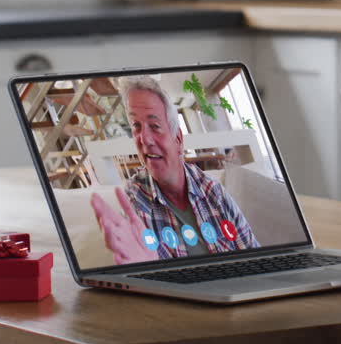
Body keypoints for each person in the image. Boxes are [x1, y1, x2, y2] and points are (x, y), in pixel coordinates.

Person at [90, 75, 258, 264]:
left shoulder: (214, 192)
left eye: (155, 126)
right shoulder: (136, 201)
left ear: (178, 139)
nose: (144, 139)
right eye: (136, 126)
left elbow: (255, 259)